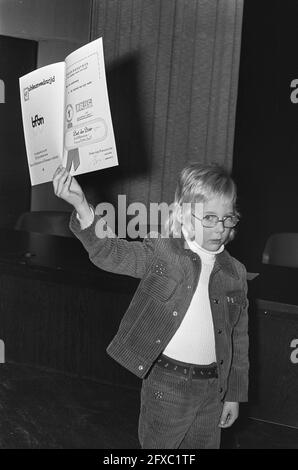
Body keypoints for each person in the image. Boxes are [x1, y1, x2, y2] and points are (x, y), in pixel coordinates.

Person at [52, 162, 249, 449]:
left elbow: (238, 340)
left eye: (227, 218)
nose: (220, 228)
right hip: (167, 385)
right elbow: (110, 253)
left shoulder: (236, 273)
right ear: (184, 214)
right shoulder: (164, 252)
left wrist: (233, 394)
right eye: (209, 217)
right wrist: (81, 205)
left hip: (211, 391)